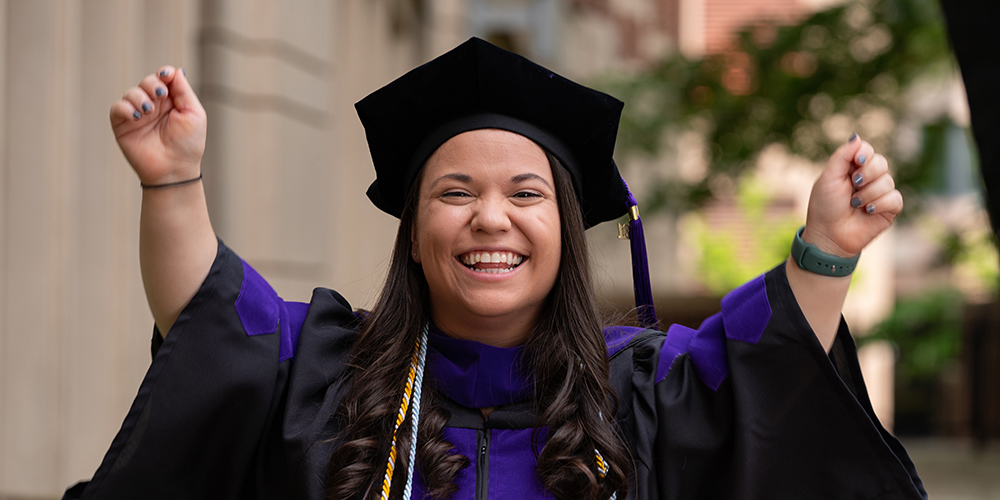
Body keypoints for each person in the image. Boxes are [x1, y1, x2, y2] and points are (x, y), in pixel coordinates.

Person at [65, 38, 922, 500]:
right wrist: (172, 180)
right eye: (454, 192)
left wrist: (827, 249)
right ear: (411, 231)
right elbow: (212, 323)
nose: (490, 218)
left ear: (563, 228)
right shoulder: (326, 372)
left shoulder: (639, 393)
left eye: (525, 193)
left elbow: (764, 374)